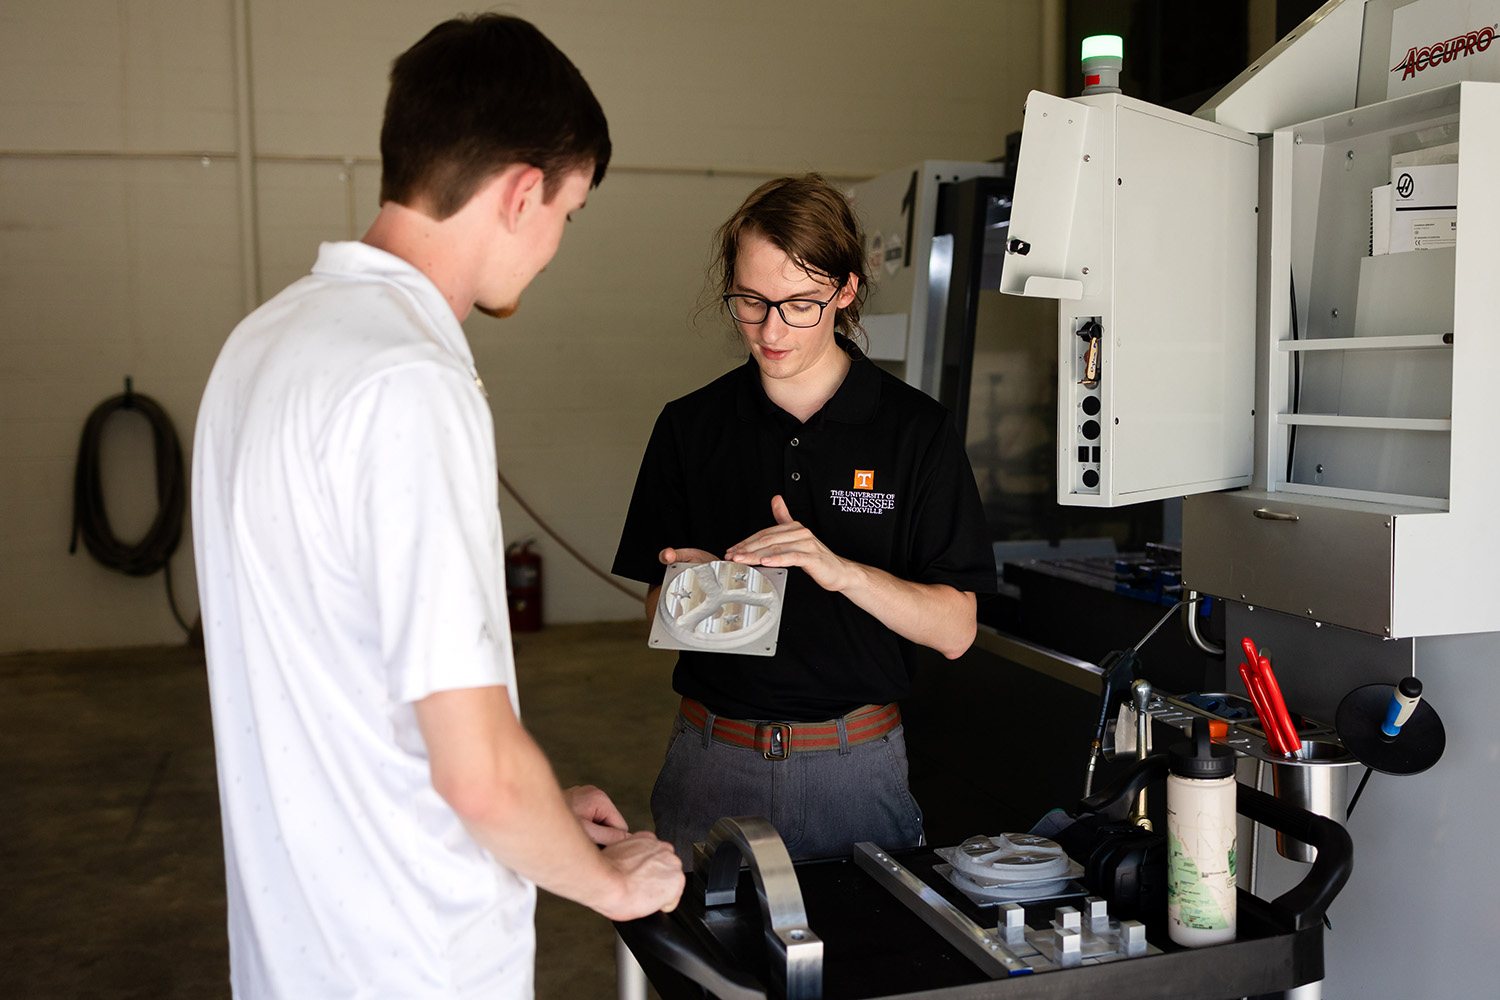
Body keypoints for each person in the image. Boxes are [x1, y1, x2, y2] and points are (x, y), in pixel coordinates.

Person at [191, 15, 683, 999]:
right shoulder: (408, 383)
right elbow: (477, 775)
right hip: (413, 962)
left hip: (295, 954)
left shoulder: (261, 345)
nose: (552, 249)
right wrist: (600, 878)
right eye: (566, 215)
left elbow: (365, 686)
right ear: (521, 191)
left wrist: (538, 813)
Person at [612, 174, 995, 865]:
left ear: (846, 291)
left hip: (853, 768)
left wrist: (840, 571)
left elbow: (956, 629)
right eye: (750, 302)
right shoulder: (691, 427)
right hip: (711, 762)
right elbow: (650, 610)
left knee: (863, 966)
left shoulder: (916, 433)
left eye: (801, 305)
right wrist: (697, 597)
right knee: (702, 969)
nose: (771, 330)